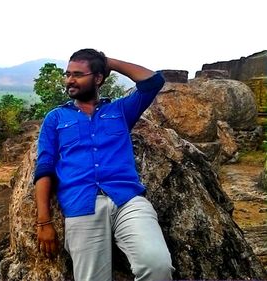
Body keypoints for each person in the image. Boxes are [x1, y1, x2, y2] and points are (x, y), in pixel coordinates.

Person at [33, 48, 174, 281]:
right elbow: (45, 167)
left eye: (78, 74)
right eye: (68, 74)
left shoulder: (120, 110)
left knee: (157, 265)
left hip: (127, 200)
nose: (70, 80)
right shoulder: (56, 118)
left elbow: (153, 81)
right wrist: (44, 221)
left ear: (98, 78)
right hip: (81, 204)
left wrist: (107, 61)